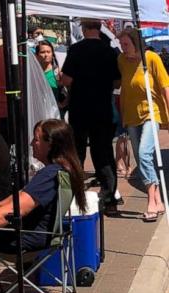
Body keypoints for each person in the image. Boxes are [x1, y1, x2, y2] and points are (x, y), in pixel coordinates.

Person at [0, 119, 87, 253]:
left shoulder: (49, 175)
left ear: (50, 144)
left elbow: (17, 210)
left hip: (25, 238)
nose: (32, 143)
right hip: (40, 236)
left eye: (36, 140)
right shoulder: (62, 170)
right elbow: (24, 194)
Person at [60, 18, 121, 212]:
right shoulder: (110, 52)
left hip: (80, 108)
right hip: (102, 109)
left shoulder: (76, 50)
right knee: (103, 154)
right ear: (99, 29)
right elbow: (117, 83)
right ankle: (110, 199)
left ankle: (77, 197)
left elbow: (67, 79)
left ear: (85, 29)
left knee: (77, 153)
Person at [117, 27, 168, 221]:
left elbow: (165, 87)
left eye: (126, 44)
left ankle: (151, 201)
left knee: (144, 153)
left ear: (135, 43)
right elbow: (124, 87)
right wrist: (122, 115)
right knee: (141, 157)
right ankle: (158, 199)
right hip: (131, 114)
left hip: (151, 112)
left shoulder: (151, 58)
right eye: (121, 44)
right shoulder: (121, 60)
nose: (122, 48)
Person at [36, 40, 67, 112]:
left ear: (52, 54)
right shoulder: (34, 72)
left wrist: (63, 104)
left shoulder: (57, 72)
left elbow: (71, 89)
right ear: (37, 55)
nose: (46, 55)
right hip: (39, 111)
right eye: (42, 52)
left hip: (55, 113)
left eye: (48, 52)